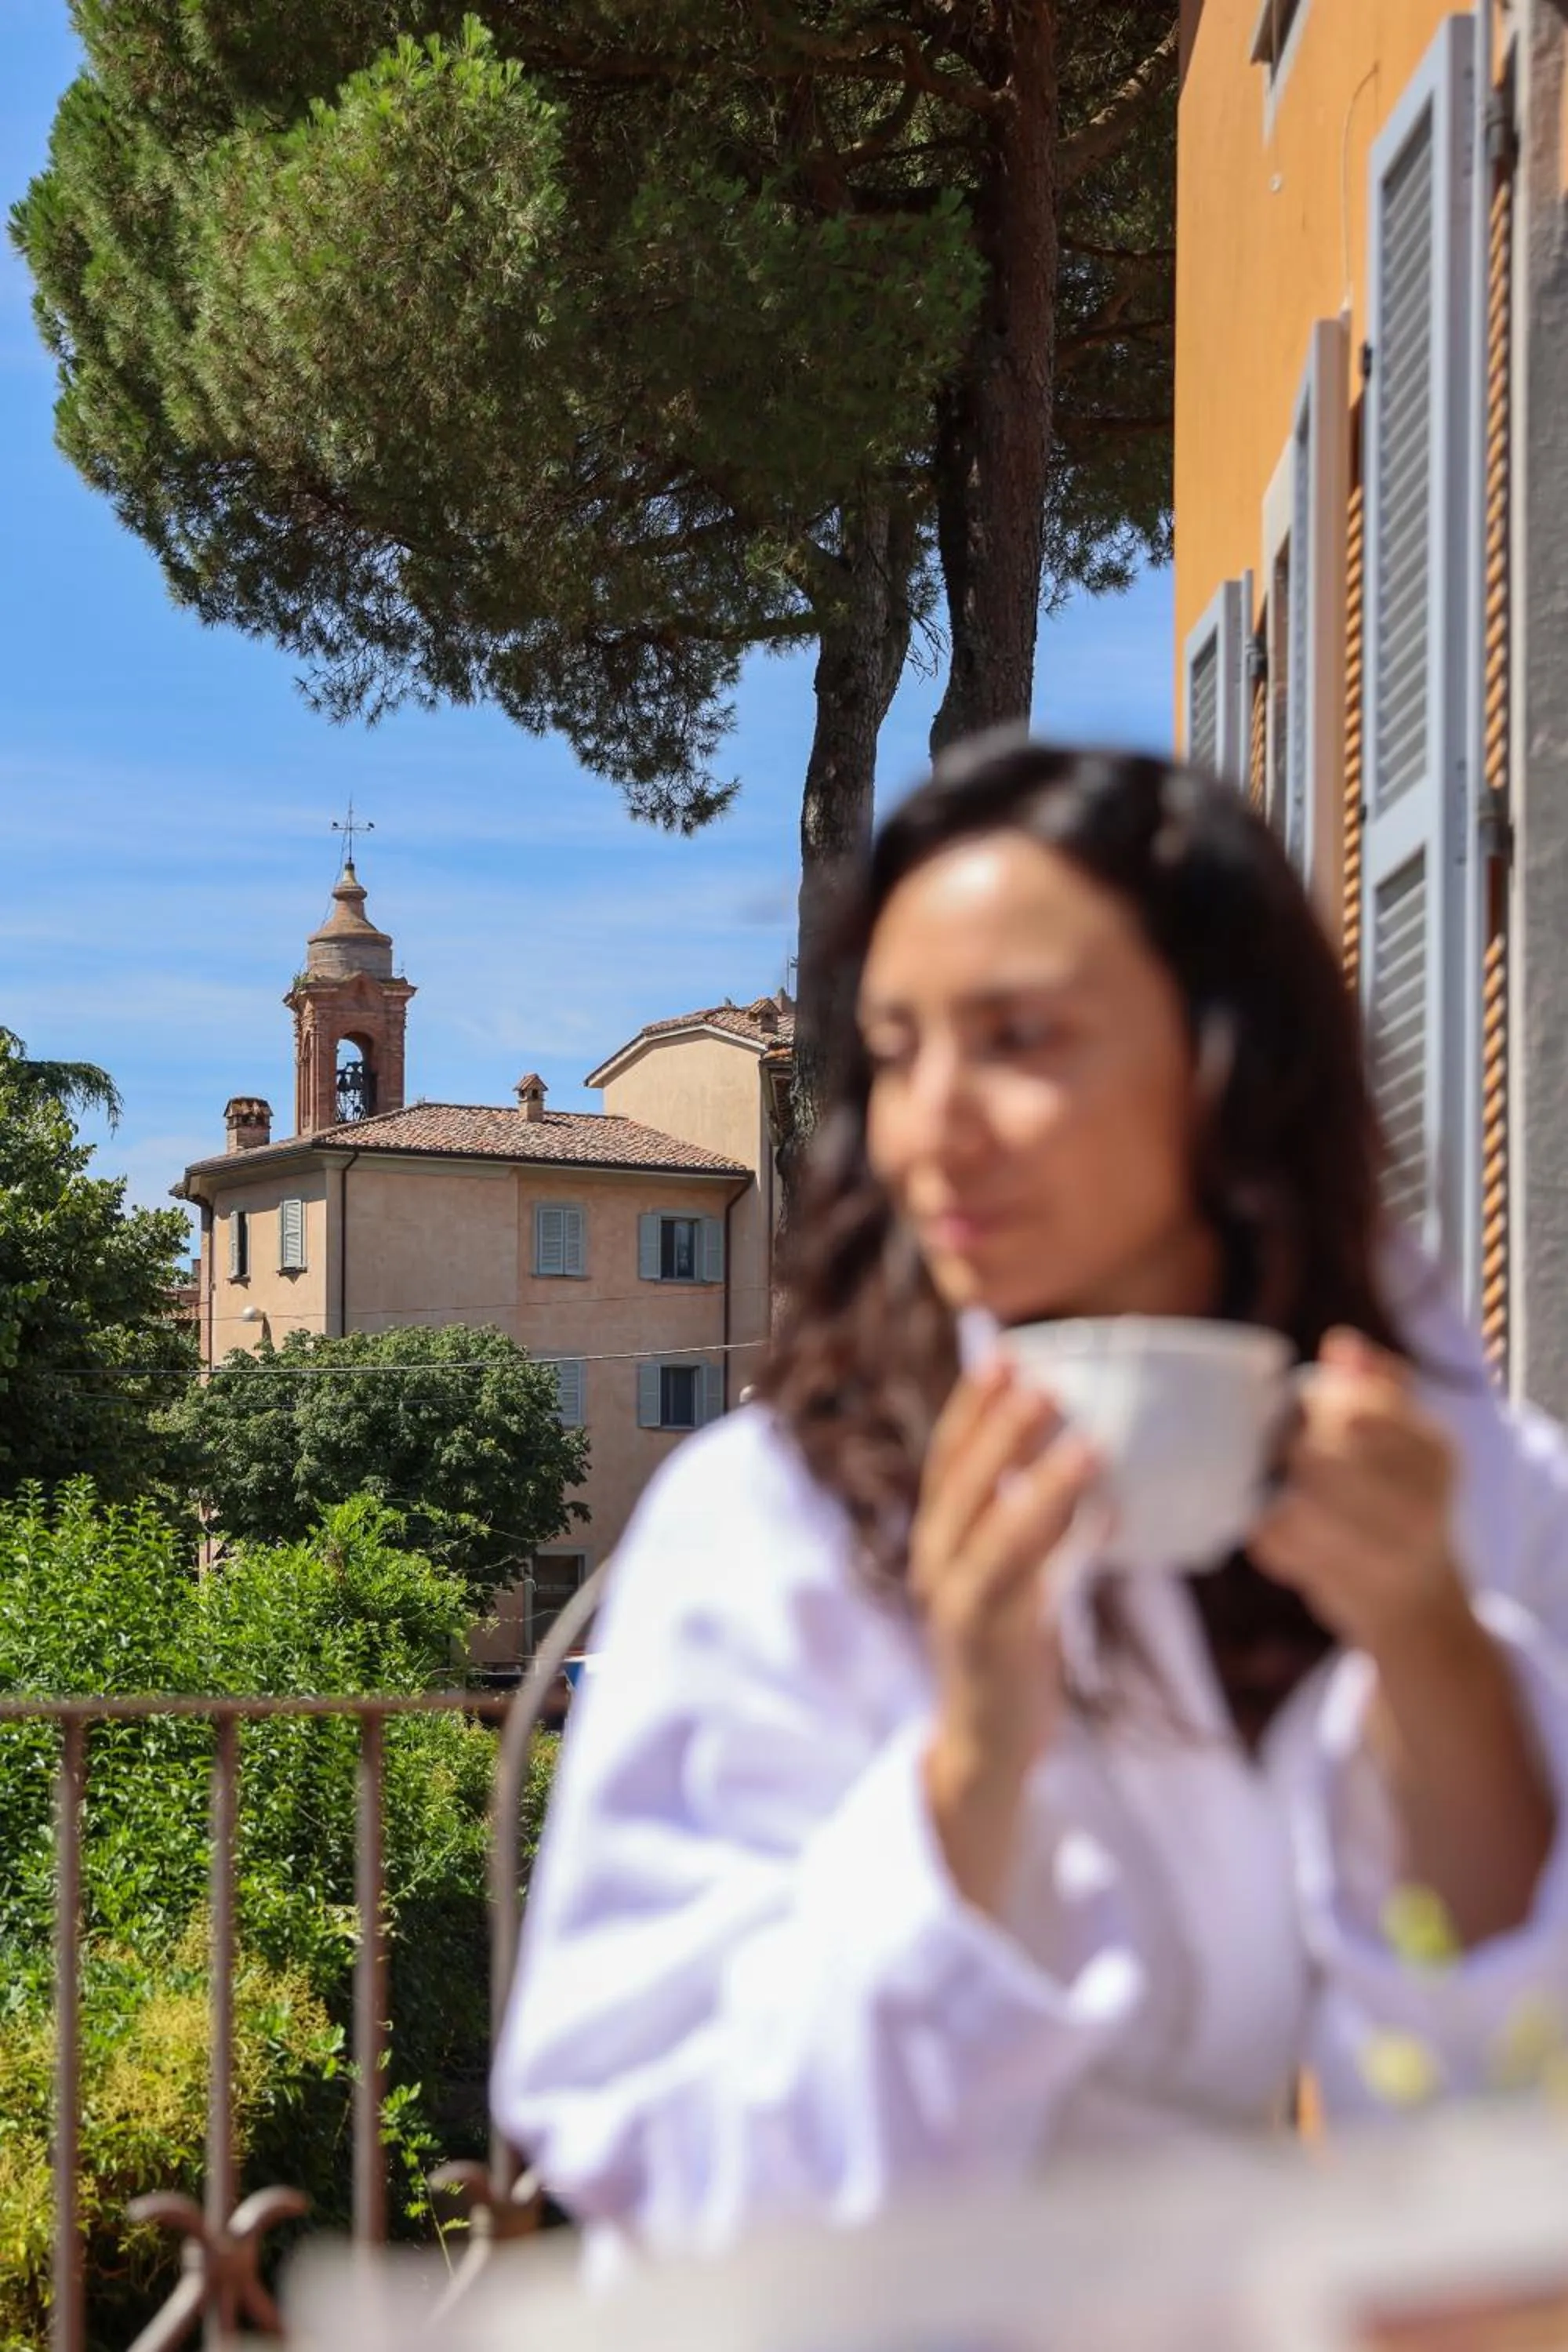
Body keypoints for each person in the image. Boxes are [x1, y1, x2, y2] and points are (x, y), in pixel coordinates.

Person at [492, 739, 1568, 2270]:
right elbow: (664, 2171)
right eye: (895, 1049)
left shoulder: (1469, 1491)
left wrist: (1431, 1647)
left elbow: (1522, 2142)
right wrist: (973, 1753)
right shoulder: (775, 1525)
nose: (932, 1127)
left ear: (1228, 1065)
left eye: (1017, 1037)